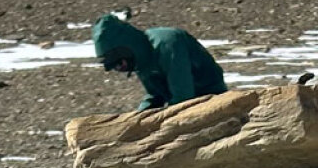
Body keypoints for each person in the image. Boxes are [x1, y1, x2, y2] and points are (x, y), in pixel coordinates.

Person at [92, 10, 226, 110]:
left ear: (128, 47)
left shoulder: (167, 44)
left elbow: (183, 95)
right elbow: (156, 95)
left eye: (120, 63)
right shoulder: (141, 58)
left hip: (212, 99)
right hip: (183, 104)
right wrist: (138, 118)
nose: (121, 68)